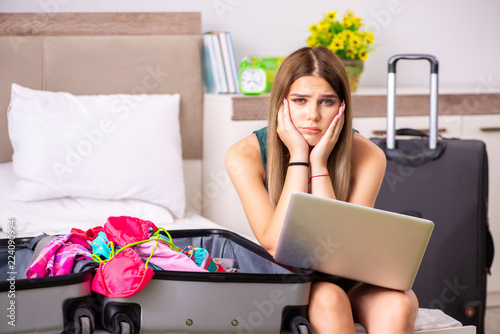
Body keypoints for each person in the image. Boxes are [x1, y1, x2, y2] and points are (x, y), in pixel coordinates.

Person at [225, 46, 419, 333]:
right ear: (282, 104)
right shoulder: (244, 155)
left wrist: (319, 164)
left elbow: (341, 249)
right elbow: (276, 245)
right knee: (329, 297)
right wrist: (299, 156)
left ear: (342, 106)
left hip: (350, 274)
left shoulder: (368, 155)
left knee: (398, 304)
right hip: (296, 281)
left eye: (326, 102)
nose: (312, 115)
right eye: (300, 100)